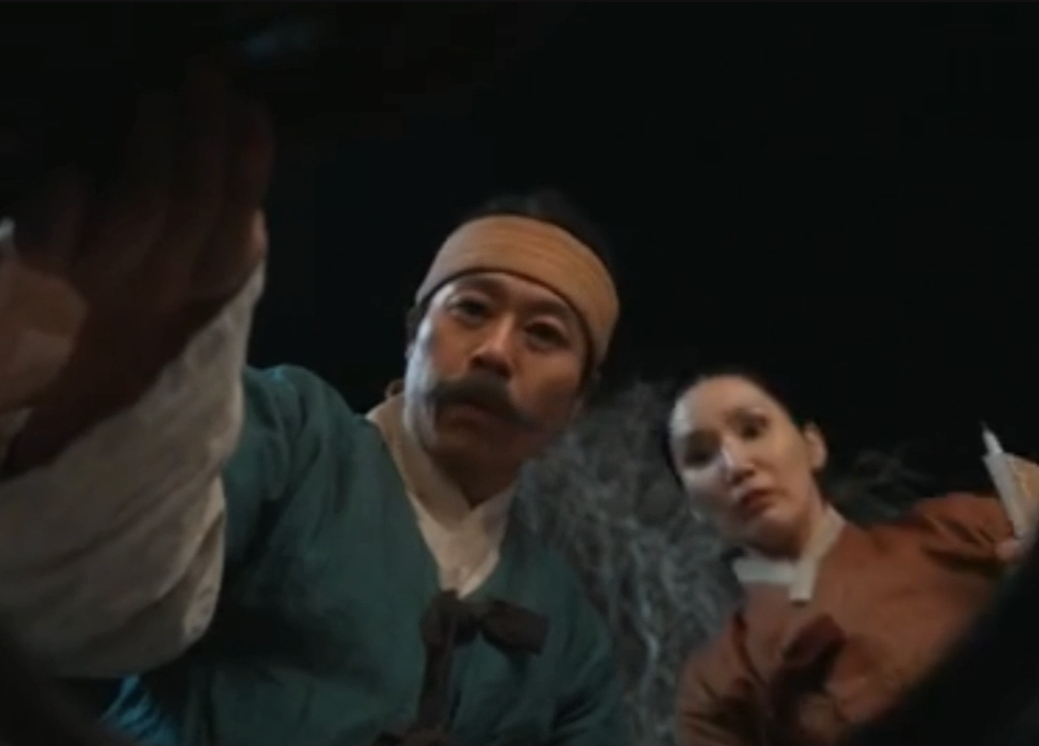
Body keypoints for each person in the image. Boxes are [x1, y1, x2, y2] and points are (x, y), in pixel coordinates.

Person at [0, 67, 630, 746]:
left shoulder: (570, 634)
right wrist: (114, 401)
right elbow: (90, 607)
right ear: (413, 334)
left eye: (544, 335)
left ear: (578, 400)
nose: (496, 352)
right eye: (471, 310)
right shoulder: (292, 437)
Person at [663, 366, 1039, 746]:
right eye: (700, 456)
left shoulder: (960, 529)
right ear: (692, 505)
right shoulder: (715, 685)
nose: (735, 465)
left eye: (753, 429)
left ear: (812, 446)